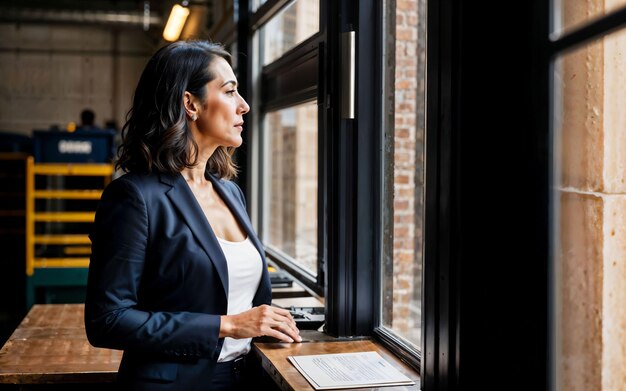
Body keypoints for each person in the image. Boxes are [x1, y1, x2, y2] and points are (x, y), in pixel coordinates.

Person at [84, 40, 301, 391]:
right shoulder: (134, 197)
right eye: (230, 92)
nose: (244, 106)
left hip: (247, 378)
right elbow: (107, 321)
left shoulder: (230, 192)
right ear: (190, 104)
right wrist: (226, 325)